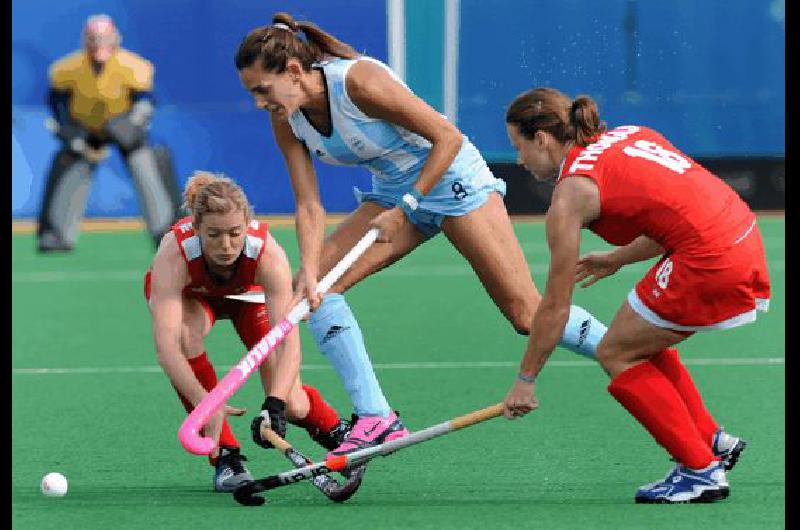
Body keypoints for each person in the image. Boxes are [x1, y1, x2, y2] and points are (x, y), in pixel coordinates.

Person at [234, 13, 610, 458]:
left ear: (294, 71)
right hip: (394, 195)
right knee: (315, 290)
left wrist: (408, 206)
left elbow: (446, 137)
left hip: (453, 183)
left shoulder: (359, 82)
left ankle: (622, 350)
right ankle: (377, 417)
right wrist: (309, 266)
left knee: (526, 316)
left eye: (262, 89)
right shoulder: (287, 117)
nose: (259, 102)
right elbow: (308, 204)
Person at [501, 87, 769, 503]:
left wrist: (525, 381)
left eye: (518, 147)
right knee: (640, 336)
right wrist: (619, 258)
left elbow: (555, 305)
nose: (519, 160)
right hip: (740, 233)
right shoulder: (630, 134)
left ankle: (700, 472)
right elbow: (679, 210)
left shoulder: (570, 195)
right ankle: (712, 441)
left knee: (616, 353)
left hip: (710, 258)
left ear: (541, 138)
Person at [145, 170, 351, 492]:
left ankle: (334, 431)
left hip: (248, 296)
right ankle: (226, 456)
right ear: (196, 228)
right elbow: (167, 350)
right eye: (213, 235)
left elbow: (288, 343)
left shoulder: (267, 254)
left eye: (234, 233)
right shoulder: (175, 252)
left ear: (246, 227)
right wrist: (206, 403)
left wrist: (276, 403)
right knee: (186, 338)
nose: (225, 245)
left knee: (294, 402)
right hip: (194, 297)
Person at [39, 14, 181, 253]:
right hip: (84, 131)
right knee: (68, 166)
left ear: (115, 39)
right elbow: (57, 104)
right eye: (93, 39)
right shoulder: (67, 68)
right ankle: (57, 233)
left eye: (103, 38)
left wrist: (128, 127)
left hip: (124, 130)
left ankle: (166, 231)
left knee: (147, 164)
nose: (98, 44)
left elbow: (145, 103)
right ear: (85, 40)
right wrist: (70, 132)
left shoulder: (134, 66)